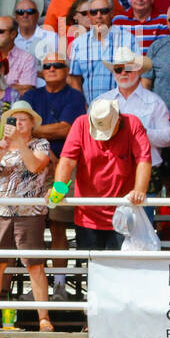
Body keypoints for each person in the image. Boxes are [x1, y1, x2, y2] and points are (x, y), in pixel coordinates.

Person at [0, 100, 53, 332]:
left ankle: (44, 318)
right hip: (0, 211)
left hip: (30, 212)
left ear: (32, 123)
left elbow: (35, 167)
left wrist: (19, 144)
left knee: (35, 266)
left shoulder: (41, 144)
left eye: (23, 119)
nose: (18, 123)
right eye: (14, 119)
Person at [50, 97, 152, 251]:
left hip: (123, 213)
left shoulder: (133, 124)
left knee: (120, 267)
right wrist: (59, 188)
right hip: (88, 214)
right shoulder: (80, 124)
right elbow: (67, 160)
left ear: (118, 120)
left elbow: (144, 159)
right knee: (90, 267)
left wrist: (140, 190)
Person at [22, 53, 86, 295]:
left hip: (63, 169)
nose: (51, 69)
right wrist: (46, 144)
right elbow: (21, 130)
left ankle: (59, 283)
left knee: (59, 226)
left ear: (66, 70)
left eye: (57, 65)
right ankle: (38, 286)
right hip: (31, 169)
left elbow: (67, 129)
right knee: (33, 228)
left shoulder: (75, 97)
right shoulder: (31, 96)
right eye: (47, 66)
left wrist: (35, 131)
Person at [95, 51, 170, 216]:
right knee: (110, 226)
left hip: (146, 171)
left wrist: (142, 133)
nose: (123, 73)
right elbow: (92, 137)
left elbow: (168, 138)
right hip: (110, 171)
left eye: (128, 69)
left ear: (138, 70)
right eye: (118, 69)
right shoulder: (101, 102)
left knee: (143, 227)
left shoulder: (155, 101)